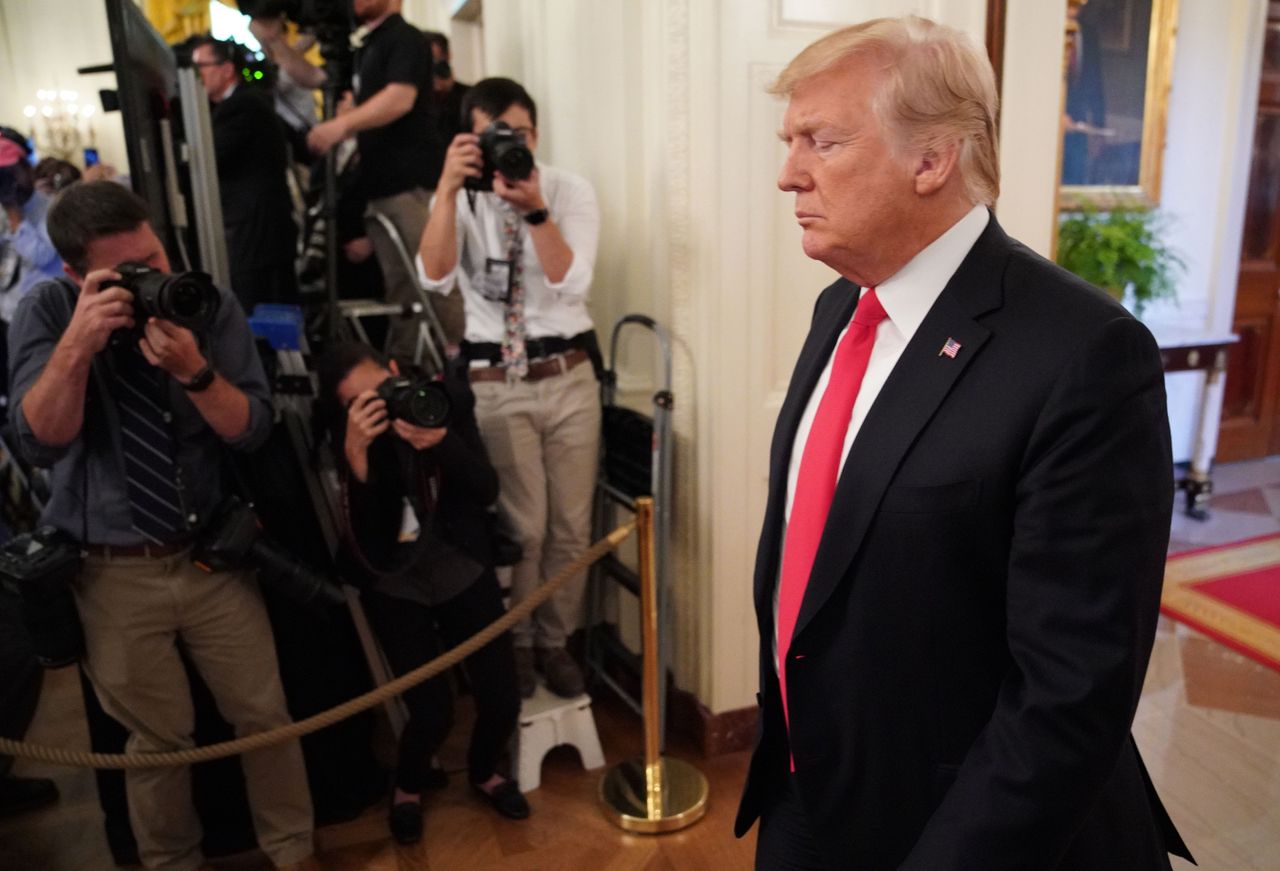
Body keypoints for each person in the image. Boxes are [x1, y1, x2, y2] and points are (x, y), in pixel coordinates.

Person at [735, 17, 1193, 870]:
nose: (787, 172)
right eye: (790, 140)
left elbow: (1068, 694)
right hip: (806, 795)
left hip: (959, 829)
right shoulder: (841, 307)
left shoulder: (1084, 353)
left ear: (932, 159)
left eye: (820, 141)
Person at [6, 181, 317, 871]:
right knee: (158, 741)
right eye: (130, 271)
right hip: (111, 570)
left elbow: (252, 431)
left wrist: (196, 371)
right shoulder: (48, 310)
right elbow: (38, 441)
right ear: (76, 274)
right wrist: (78, 348)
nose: (154, 277)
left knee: (266, 718)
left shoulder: (205, 303)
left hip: (212, 554)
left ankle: (294, 853)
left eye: (156, 255)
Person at [418, 77, 601, 699]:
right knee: (525, 529)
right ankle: (519, 643)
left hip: (568, 376)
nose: (508, 147)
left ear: (535, 134)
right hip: (496, 381)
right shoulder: (461, 200)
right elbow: (434, 276)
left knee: (573, 527)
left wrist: (534, 210)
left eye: (518, 136)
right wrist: (446, 188)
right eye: (493, 136)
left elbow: (570, 281)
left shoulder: (568, 189)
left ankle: (557, 641)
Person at [317, 342, 528, 845]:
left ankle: (483, 771)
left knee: (502, 696)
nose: (382, 406)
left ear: (395, 371)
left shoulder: (444, 401)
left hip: (460, 563)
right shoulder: (347, 436)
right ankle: (407, 786)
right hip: (397, 581)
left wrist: (440, 440)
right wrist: (356, 455)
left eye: (382, 391)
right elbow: (367, 538)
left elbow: (485, 488)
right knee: (432, 710)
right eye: (361, 402)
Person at [307, 0, 464, 356]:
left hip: (410, 183)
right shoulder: (368, 46)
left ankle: (466, 362)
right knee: (401, 289)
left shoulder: (405, 38)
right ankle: (411, 366)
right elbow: (317, 77)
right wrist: (278, 41)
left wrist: (341, 125)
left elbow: (400, 98)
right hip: (381, 187)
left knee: (436, 279)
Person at [192, 37, 299, 311]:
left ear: (227, 70)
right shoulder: (242, 103)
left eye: (201, 67)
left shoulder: (243, 105)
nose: (196, 77)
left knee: (261, 308)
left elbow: (210, 159)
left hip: (256, 231)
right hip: (259, 229)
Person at [423, 30, 470, 189]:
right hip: (430, 183)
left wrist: (448, 92)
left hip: (466, 180)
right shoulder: (416, 100)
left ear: (448, 56)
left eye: (438, 60)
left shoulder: (468, 96)